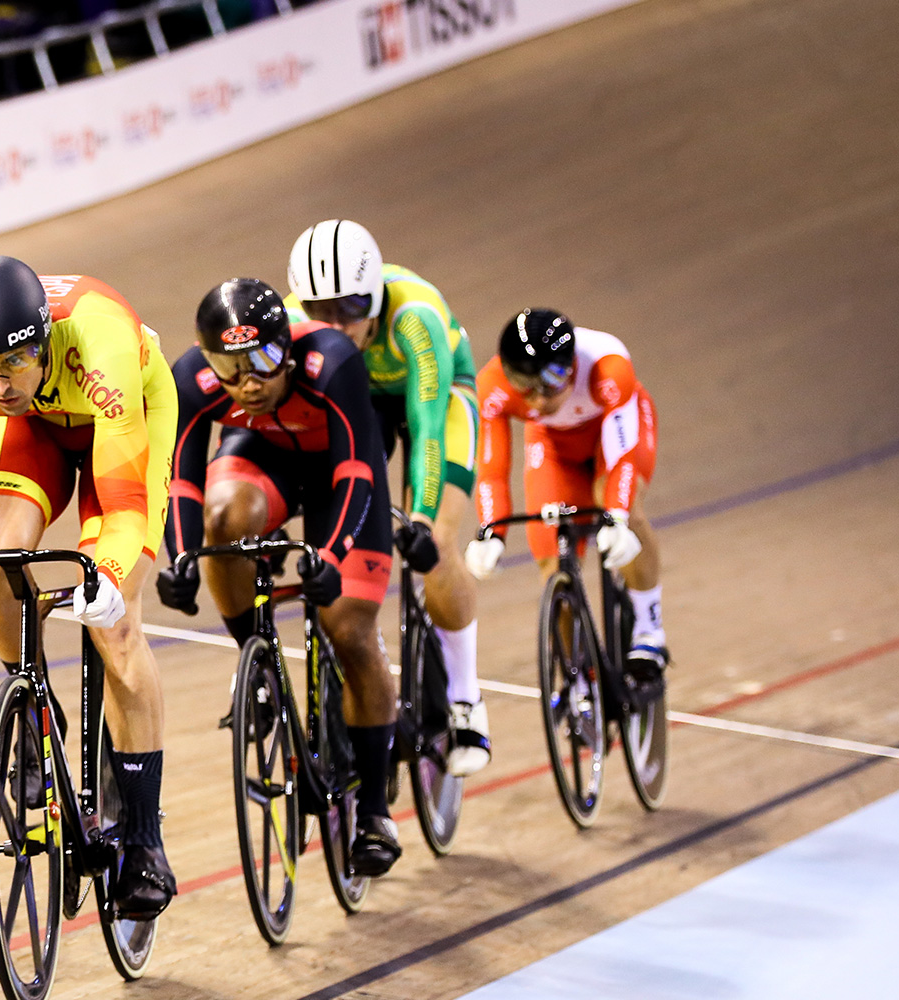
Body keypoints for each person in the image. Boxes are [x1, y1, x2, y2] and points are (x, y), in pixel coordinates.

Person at [0, 256, 177, 916]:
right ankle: (32, 707)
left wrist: (106, 576)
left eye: (13, 362)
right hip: (37, 433)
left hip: (125, 417)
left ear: (43, 339)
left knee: (117, 619)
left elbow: (127, 498)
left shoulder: (99, 343)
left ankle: (143, 838)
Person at [160, 279, 402, 876]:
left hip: (338, 478)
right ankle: (258, 663)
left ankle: (374, 810)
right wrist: (182, 557)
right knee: (222, 521)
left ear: (287, 346)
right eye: (231, 369)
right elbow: (183, 482)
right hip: (261, 456)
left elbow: (356, 472)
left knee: (348, 632)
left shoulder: (333, 360)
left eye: (265, 360)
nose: (251, 382)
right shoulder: (191, 378)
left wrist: (335, 549)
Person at [269, 218, 490, 775]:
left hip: (437, 397)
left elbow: (430, 429)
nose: (338, 326)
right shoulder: (292, 323)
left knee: (436, 543)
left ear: (375, 298)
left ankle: (466, 700)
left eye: (351, 309)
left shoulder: (414, 320)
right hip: (358, 397)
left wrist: (419, 517)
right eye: (323, 312)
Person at [471, 310, 666, 678]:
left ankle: (648, 629)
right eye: (525, 386)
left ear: (571, 365)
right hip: (554, 447)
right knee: (551, 558)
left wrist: (618, 516)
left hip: (614, 435)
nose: (539, 400)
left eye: (552, 380)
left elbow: (621, 457)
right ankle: (580, 678)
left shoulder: (608, 368)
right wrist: (491, 531)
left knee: (622, 508)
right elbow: (492, 471)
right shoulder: (492, 386)